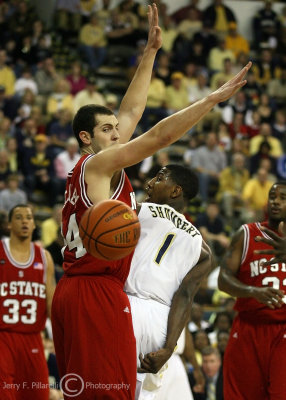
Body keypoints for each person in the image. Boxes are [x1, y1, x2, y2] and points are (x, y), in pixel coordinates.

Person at [51, 3, 252, 397]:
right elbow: (158, 138)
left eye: (115, 128)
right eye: (107, 129)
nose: (117, 132)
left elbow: (132, 109)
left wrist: (151, 52)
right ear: (86, 138)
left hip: (77, 290)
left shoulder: (99, 168)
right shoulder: (97, 165)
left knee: (87, 391)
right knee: (111, 391)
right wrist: (212, 99)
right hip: (95, 290)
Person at [124, 164, 212, 399]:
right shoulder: (201, 247)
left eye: (159, 178)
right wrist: (169, 348)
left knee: (106, 386)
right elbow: (184, 298)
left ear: (175, 191)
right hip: (162, 321)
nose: (150, 183)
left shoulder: (138, 210)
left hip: (126, 307)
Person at [218, 181, 286, 399]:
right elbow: (223, 280)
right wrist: (252, 291)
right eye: (272, 196)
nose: (275, 201)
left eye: (283, 198)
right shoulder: (246, 234)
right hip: (248, 327)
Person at [0, 204, 56, 400]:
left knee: (38, 394)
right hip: (3, 338)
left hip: (33, 339)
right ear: (9, 225)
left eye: (29, 217)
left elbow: (52, 304)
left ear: (34, 224)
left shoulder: (45, 257)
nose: (24, 221)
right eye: (19, 217)